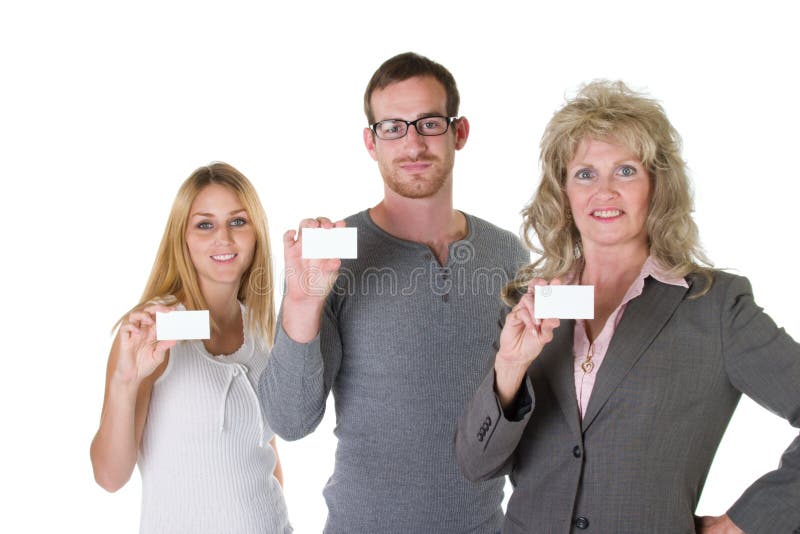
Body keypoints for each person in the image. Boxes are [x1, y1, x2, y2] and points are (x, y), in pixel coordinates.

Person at [455, 80, 800, 533]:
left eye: (625, 171)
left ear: (657, 185)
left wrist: (746, 523)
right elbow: (476, 464)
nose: (604, 191)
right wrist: (510, 369)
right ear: (563, 192)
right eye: (585, 174)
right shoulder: (531, 305)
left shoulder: (716, 307)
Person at [259, 52, 528, 533]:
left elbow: (527, 411)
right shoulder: (330, 258)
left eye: (428, 123)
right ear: (371, 141)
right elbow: (291, 421)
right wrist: (301, 303)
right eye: (393, 127)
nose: (413, 143)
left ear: (458, 132)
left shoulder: (505, 253)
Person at [90, 163, 292, 533]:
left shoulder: (264, 331)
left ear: (257, 233)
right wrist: (125, 380)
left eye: (237, 222)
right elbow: (109, 476)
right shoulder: (151, 332)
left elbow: (265, 452)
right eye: (205, 224)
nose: (224, 239)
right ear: (182, 237)